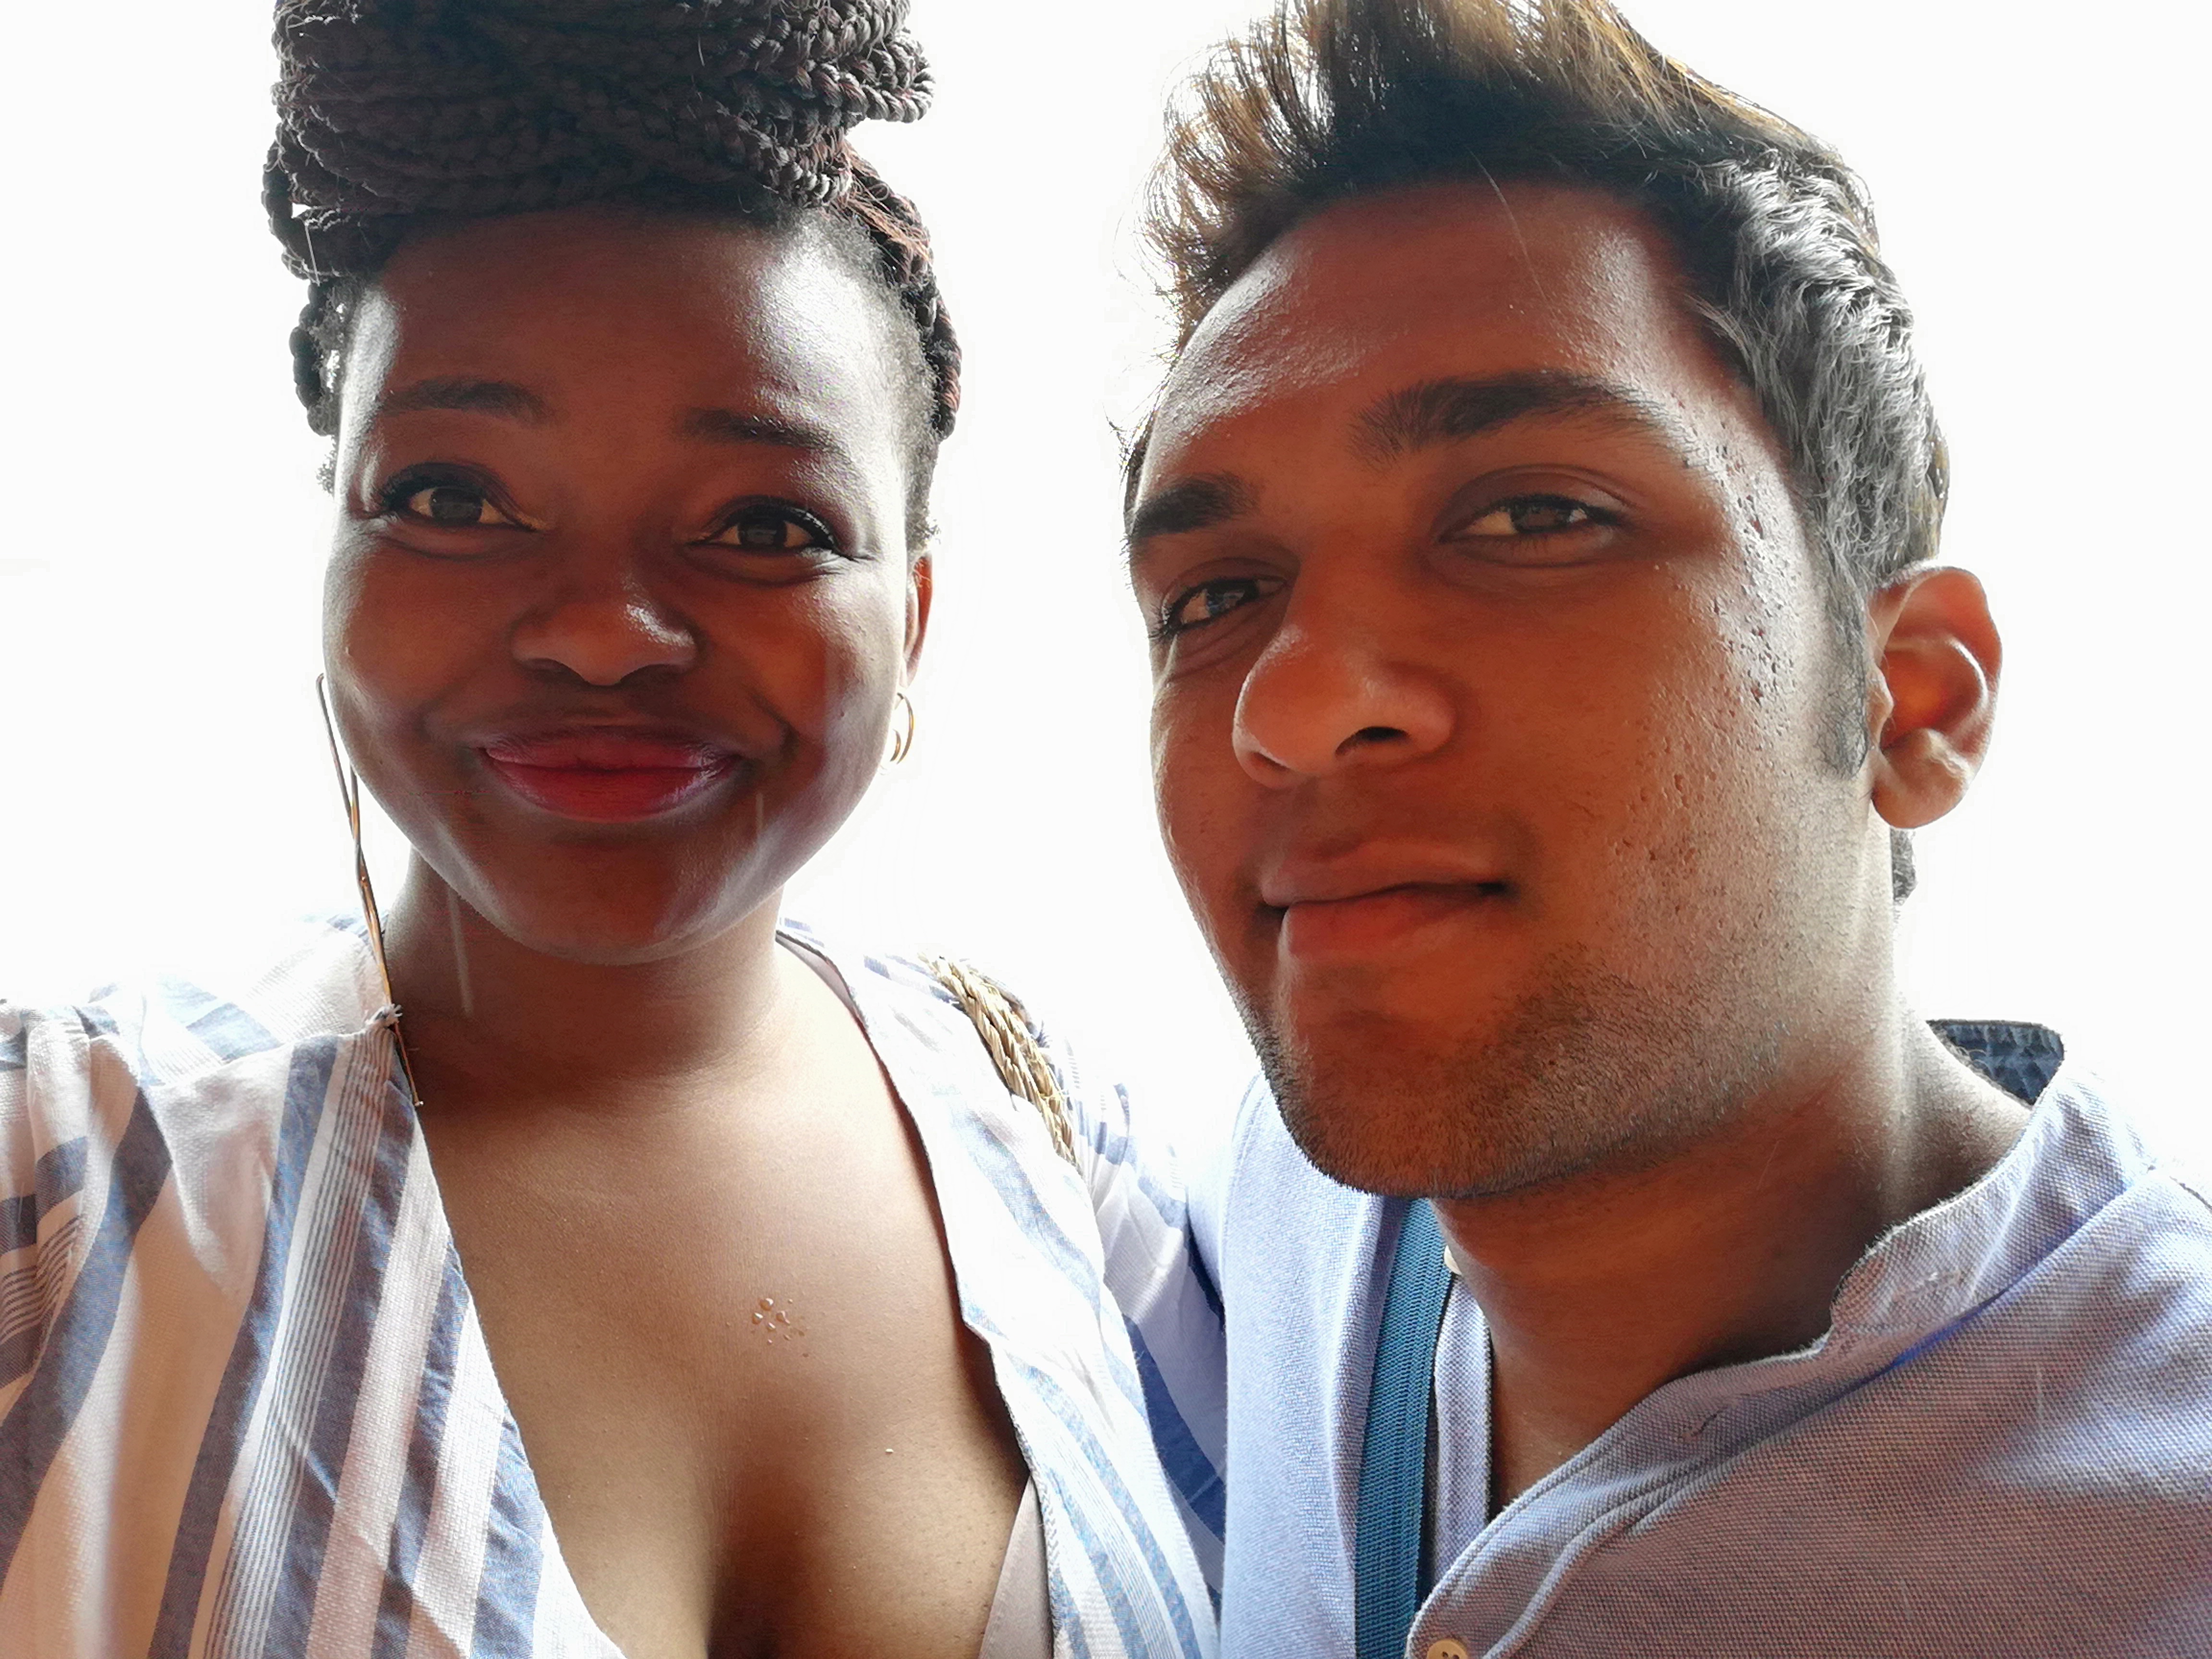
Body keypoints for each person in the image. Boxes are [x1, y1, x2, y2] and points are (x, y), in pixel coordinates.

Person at [0, 3, 1222, 1656]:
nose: (600, 633)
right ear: (332, 554)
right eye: (450, 498)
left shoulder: (1068, 1161)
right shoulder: (57, 1178)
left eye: (766, 524)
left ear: (914, 621)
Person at [1121, 0, 2212, 1654]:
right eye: (1215, 596)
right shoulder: (1261, 1239)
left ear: (1909, 703)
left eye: (1532, 516)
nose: (1293, 701)